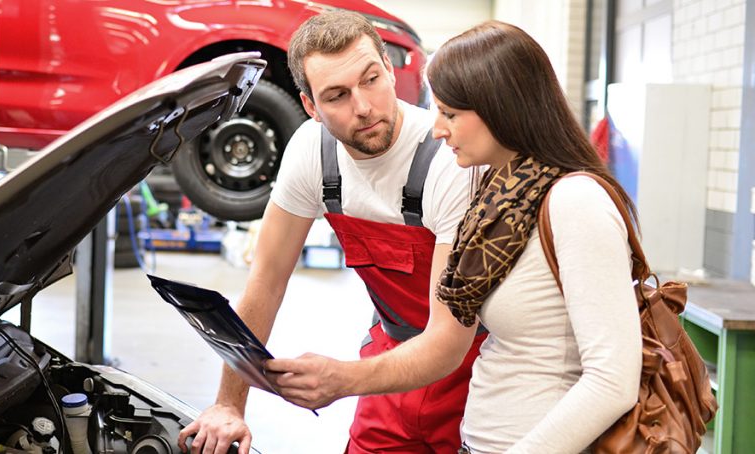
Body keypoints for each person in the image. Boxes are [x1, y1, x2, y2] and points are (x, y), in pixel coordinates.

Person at [264, 20, 643, 453]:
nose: (437, 129)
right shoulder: (508, 200)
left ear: (499, 107)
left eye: (450, 114)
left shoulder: (577, 202)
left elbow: (612, 379)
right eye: (438, 110)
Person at [178, 11, 487, 454]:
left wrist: (341, 379)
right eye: (337, 95)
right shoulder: (312, 152)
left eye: (371, 80)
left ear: (387, 66)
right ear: (310, 106)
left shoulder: (447, 159)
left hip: (473, 371)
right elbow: (266, 281)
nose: (363, 107)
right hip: (390, 368)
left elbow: (448, 341)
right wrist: (229, 404)